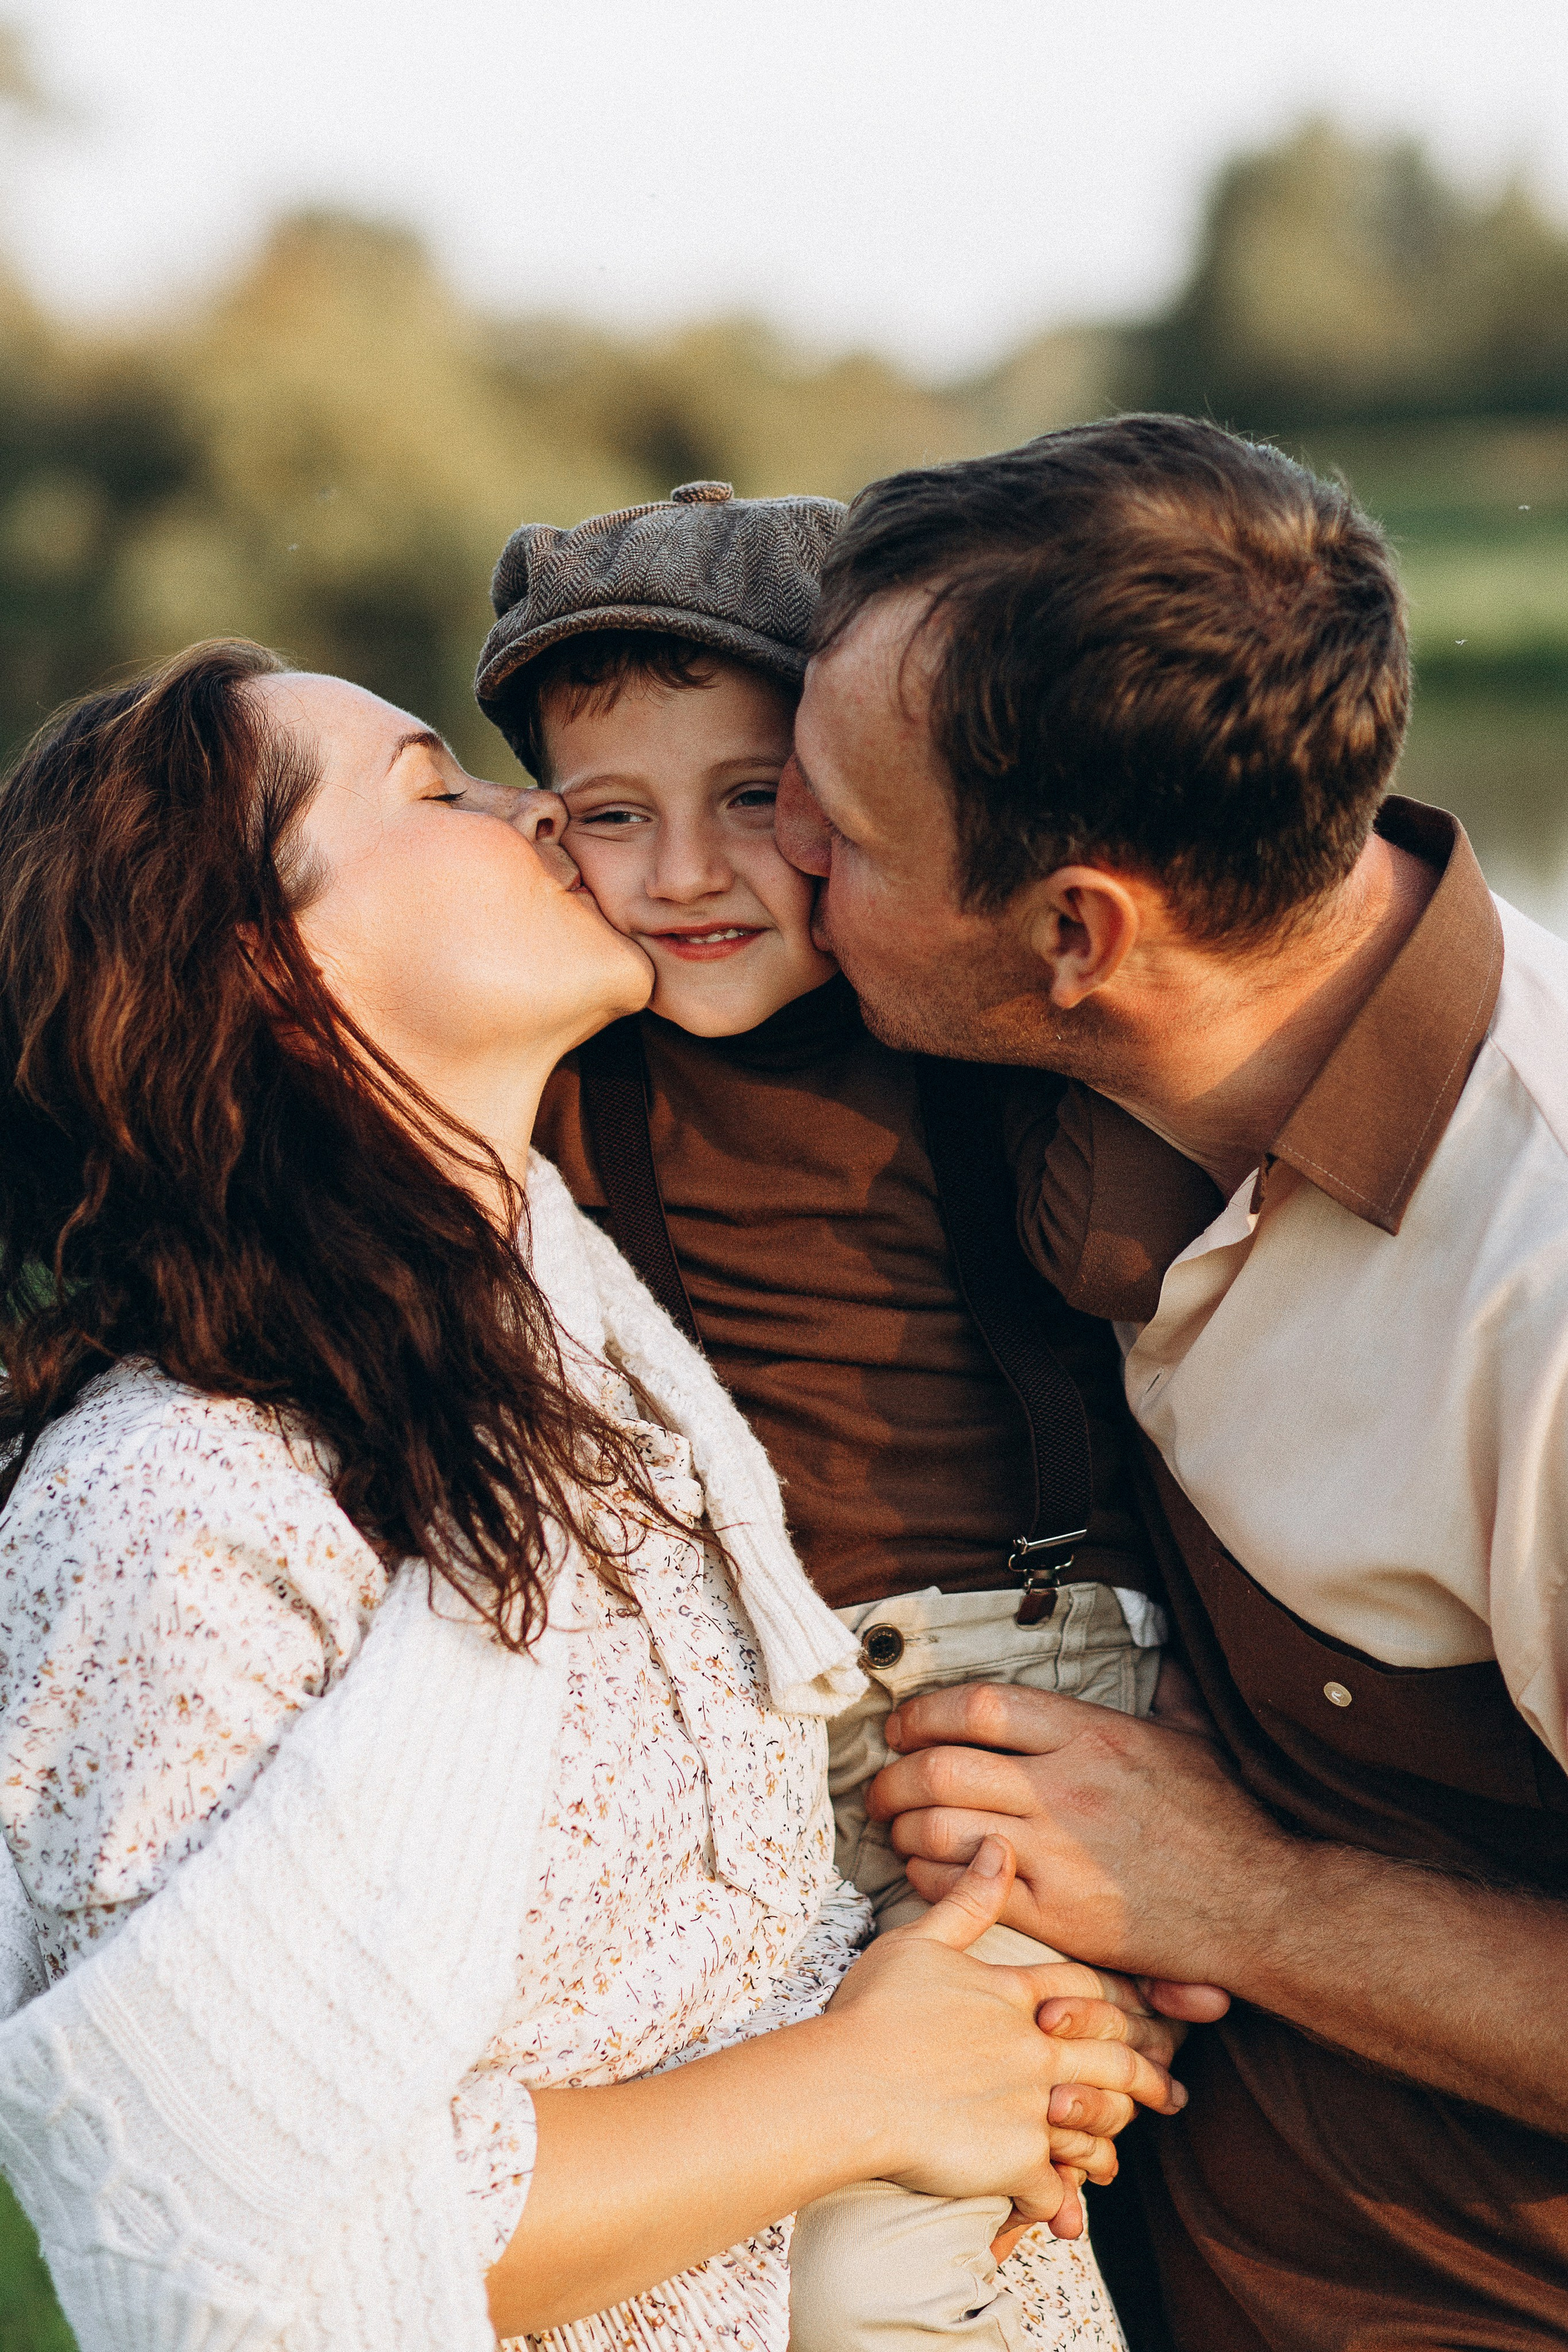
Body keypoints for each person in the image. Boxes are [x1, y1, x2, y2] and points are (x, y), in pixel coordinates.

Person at [0, 640, 1189, 2352]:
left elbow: (731, 1934)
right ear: (265, 963)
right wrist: (862, 2089)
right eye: (439, 787)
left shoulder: (586, 1351)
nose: (539, 810)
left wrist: (1047, 1998)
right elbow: (226, 2259)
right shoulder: (173, 1499)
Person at [774, 414, 1568, 2350]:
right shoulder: (1074, 1069)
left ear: (1078, 934)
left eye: (836, 830)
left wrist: (1241, 1896)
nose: (778, 855)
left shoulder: (1538, 1300)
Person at [475, 482, 1219, 2348]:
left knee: (916, 2251)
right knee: (715, 2210)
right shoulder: (562, 1082)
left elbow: (1196, 1399)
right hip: (747, 1736)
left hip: (1030, 1706)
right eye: (612, 820)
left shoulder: (987, 1046)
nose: (688, 877)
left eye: (753, 802)